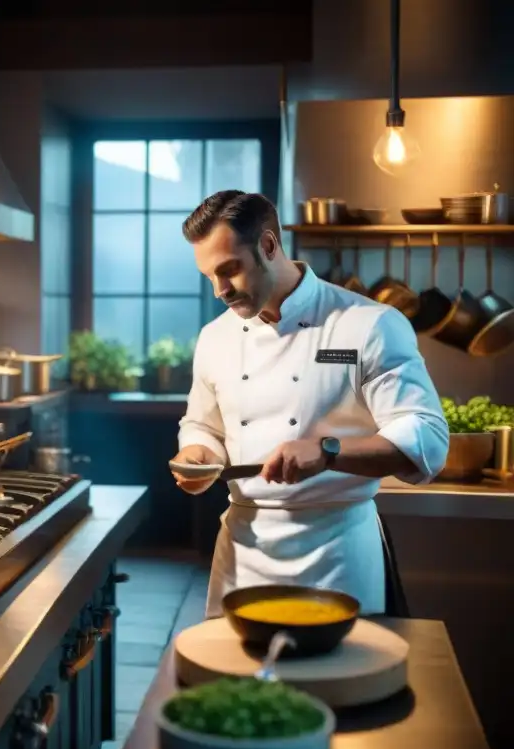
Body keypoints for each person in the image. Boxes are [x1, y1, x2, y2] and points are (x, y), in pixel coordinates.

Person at [170, 190, 449, 618]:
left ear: (267, 246)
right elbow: (202, 424)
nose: (220, 291)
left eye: (230, 271)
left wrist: (326, 452)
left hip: (335, 553)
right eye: (209, 276)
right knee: (235, 681)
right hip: (244, 552)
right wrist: (198, 454)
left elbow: (427, 436)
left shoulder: (368, 324)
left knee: (337, 681)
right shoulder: (215, 337)